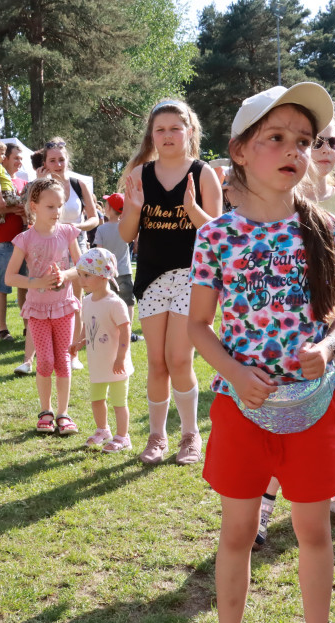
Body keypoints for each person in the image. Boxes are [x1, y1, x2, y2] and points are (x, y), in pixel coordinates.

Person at [187, 82, 335, 623]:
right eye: (277, 138)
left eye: (305, 141)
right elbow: (198, 328)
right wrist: (234, 372)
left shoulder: (327, 228)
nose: (295, 150)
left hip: (313, 406)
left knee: (312, 531)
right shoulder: (215, 236)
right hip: (241, 408)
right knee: (237, 532)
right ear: (239, 150)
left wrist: (329, 345)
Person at [254, 111, 335, 549]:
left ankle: (333, 493)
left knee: (333, 416)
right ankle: (263, 508)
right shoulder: (274, 203)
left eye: (330, 142)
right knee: (275, 420)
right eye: (314, 141)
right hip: (287, 341)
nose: (322, 149)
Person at [119, 99, 223, 465]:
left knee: (180, 359)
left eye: (175, 128)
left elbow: (217, 233)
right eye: (160, 129)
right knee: (156, 361)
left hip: (193, 278)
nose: (167, 135)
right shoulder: (139, 174)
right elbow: (127, 234)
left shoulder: (203, 173)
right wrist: (132, 210)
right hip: (150, 277)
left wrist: (193, 210)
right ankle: (156, 436)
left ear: (189, 132)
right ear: (151, 134)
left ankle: (190, 435)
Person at [4, 178, 83, 436]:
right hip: (37, 310)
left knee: (63, 362)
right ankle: (45, 411)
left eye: (59, 206)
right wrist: (36, 282)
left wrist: (66, 276)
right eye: (50, 206)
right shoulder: (24, 239)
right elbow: (9, 277)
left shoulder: (68, 232)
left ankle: (63, 413)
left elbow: (82, 267)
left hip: (64, 307)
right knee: (45, 361)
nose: (57, 212)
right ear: (33, 206)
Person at [42, 138, 100, 371]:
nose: (58, 164)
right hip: (49, 244)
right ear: (45, 163)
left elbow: (95, 217)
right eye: (52, 160)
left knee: (76, 300)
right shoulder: (42, 186)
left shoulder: (79, 183)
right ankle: (46, 351)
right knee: (49, 297)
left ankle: (73, 352)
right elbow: (33, 215)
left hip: (77, 243)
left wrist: (79, 227)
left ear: (68, 159)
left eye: (61, 159)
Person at [0, 142, 35, 374]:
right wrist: (13, 211)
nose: (20, 161)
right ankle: (3, 330)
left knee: (25, 286)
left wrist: (27, 212)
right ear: (4, 158)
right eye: (16, 158)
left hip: (26, 241)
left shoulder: (23, 183)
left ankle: (26, 327)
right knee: (3, 285)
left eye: (21, 158)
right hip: (4, 241)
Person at [71, 247, 133, 452]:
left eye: (87, 275)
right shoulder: (87, 301)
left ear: (104, 275)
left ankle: (123, 437)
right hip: (97, 363)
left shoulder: (115, 303)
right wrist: (79, 343)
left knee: (118, 402)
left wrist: (121, 357)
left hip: (116, 364)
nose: (82, 280)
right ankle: (102, 430)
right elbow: (88, 327)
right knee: (97, 399)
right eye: (80, 275)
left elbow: (125, 331)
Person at [94, 192, 141, 342]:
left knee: (108, 302)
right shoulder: (126, 226)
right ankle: (127, 333)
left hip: (108, 273)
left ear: (108, 208)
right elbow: (136, 244)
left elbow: (99, 251)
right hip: (125, 271)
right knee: (128, 302)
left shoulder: (101, 229)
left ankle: (108, 331)